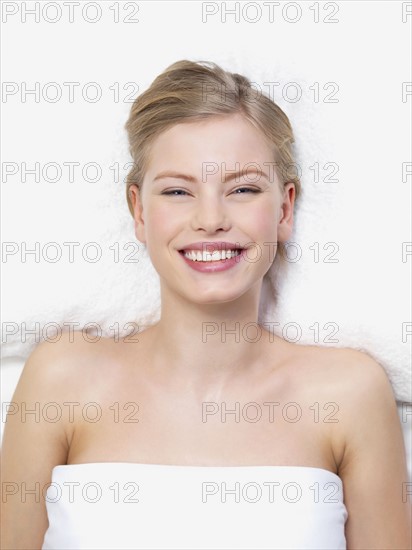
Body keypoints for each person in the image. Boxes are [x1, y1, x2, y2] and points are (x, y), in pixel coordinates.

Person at [1, 60, 410, 550]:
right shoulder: (60, 377)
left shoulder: (350, 393)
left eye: (243, 189)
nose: (211, 219)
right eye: (178, 191)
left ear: (283, 209)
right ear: (139, 211)